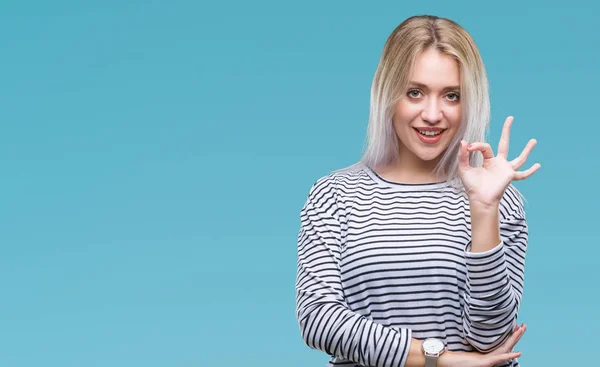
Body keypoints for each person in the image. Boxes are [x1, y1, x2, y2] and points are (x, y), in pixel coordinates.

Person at [294, 15, 541, 367]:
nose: (432, 114)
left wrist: (484, 208)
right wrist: (437, 359)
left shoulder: (496, 195)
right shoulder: (335, 195)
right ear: (388, 94)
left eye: (451, 96)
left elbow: (491, 339)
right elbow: (318, 319)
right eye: (415, 92)